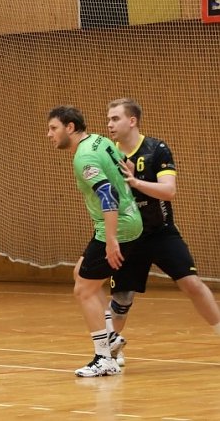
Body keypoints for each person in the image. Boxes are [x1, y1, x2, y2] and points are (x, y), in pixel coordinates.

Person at [105, 98, 220, 366]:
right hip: (129, 236)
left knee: (191, 283)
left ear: (131, 121)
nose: (109, 124)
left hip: (161, 232)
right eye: (108, 119)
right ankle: (108, 352)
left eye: (115, 118)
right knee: (122, 298)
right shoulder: (107, 154)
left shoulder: (156, 149)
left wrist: (134, 181)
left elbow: (169, 191)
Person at [46, 105, 142, 377]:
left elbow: (108, 194)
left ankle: (104, 358)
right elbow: (126, 163)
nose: (49, 134)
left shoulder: (83, 158)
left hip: (116, 226)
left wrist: (112, 240)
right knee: (81, 273)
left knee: (84, 290)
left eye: (53, 128)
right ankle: (111, 338)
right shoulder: (100, 140)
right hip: (129, 220)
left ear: (70, 128)